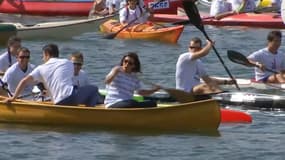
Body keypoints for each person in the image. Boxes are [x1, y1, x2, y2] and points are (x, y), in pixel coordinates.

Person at [5, 44, 101, 107]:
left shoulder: (40, 68)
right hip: (70, 96)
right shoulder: (67, 62)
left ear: (47, 54)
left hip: (57, 102)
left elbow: (24, 81)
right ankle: (88, 112)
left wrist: (13, 98)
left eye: (43, 56)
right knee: (94, 89)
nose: (43, 59)